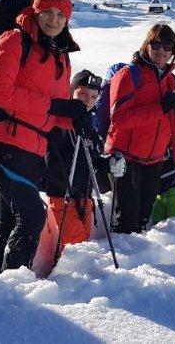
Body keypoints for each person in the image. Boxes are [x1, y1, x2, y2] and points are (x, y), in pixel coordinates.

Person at [0, 0, 81, 275]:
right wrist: (57, 107)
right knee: (33, 216)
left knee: (12, 220)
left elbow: (49, 110)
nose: (53, 20)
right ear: (35, 10)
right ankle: (11, 292)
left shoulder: (61, 56)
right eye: (47, 12)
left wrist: (75, 117)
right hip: (0, 138)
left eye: (61, 14)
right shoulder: (14, 40)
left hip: (31, 146)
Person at [105, 24, 175, 234]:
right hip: (126, 157)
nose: (162, 50)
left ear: (174, 51)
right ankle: (121, 263)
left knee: (143, 217)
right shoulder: (128, 74)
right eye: (156, 44)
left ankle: (137, 261)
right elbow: (118, 120)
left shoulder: (171, 80)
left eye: (167, 45)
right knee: (127, 221)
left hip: (154, 159)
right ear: (146, 46)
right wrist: (160, 107)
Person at [43, 69, 108, 250]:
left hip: (85, 196)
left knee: (83, 243)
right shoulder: (58, 123)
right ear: (71, 92)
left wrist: (107, 163)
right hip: (62, 194)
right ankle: (69, 276)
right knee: (75, 246)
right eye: (82, 94)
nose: (88, 100)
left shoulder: (90, 125)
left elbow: (91, 158)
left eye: (93, 96)